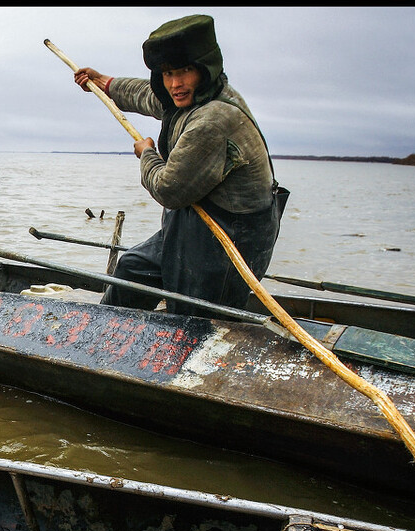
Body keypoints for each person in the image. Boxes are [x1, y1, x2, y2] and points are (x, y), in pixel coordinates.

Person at [74, 14, 287, 318]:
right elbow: (148, 95)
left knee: (192, 319)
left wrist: (147, 153)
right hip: (193, 227)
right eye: (167, 73)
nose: (175, 84)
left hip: (229, 243)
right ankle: (99, 333)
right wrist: (104, 84)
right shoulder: (190, 95)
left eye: (185, 71)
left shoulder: (213, 119)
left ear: (205, 69)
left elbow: (168, 189)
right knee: (132, 267)